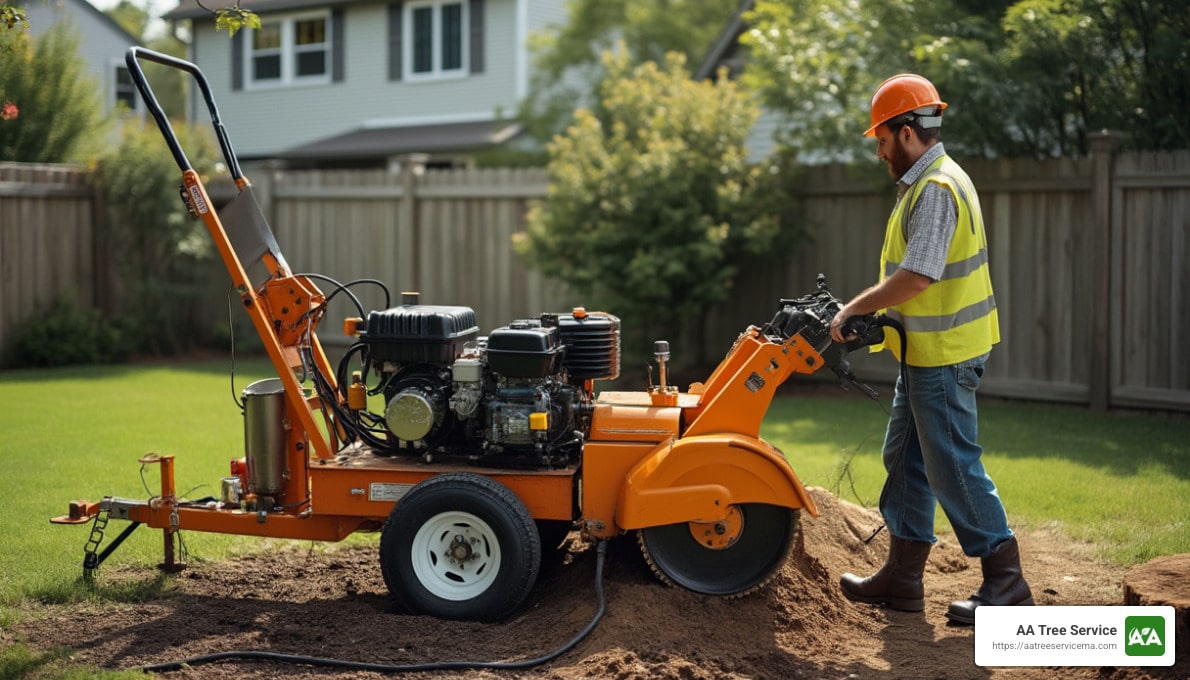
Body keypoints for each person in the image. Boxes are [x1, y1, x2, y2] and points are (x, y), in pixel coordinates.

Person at [828, 74, 1032, 625]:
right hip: (926, 352)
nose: (878, 150)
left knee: (952, 467)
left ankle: (1006, 581)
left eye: (882, 138)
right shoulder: (925, 183)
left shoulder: (937, 188)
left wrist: (856, 309)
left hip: (944, 353)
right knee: (906, 457)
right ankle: (903, 576)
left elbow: (918, 276)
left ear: (908, 131)